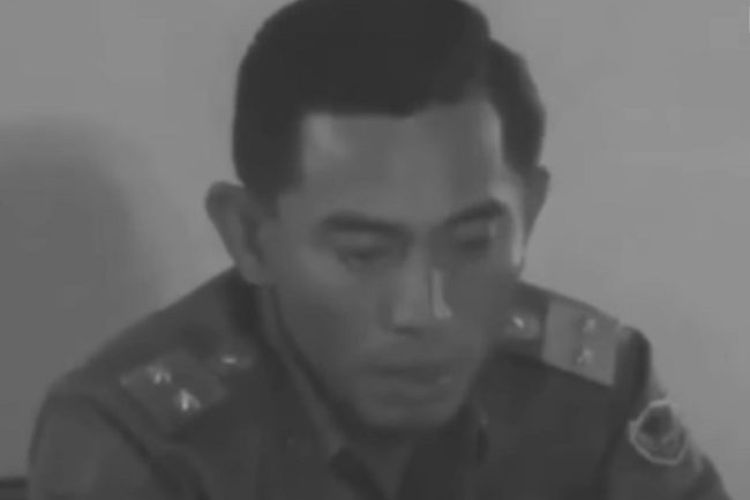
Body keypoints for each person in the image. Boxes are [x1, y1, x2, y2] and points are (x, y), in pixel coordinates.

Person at [27, 0, 732, 498]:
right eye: (364, 254)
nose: (424, 311)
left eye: (473, 243)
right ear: (249, 235)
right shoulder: (138, 441)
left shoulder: (593, 391)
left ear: (531, 212)